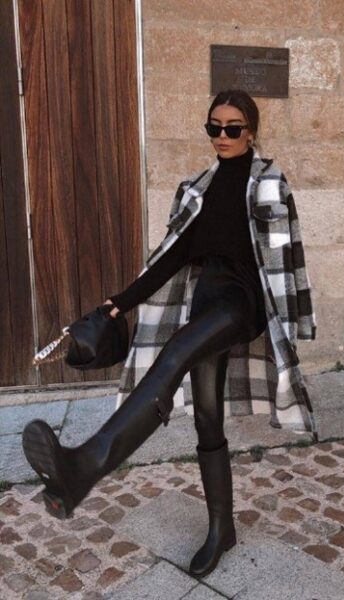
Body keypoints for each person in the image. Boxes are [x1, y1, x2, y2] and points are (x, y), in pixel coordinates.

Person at [22, 89, 316, 578]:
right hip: (207, 302)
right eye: (214, 127)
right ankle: (222, 528)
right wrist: (119, 302)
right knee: (206, 418)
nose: (222, 136)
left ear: (251, 131)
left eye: (233, 128)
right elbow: (171, 258)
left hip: (241, 302)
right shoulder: (196, 189)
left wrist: (290, 322)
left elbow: (287, 259)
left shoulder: (269, 183)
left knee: (176, 352)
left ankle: (87, 464)